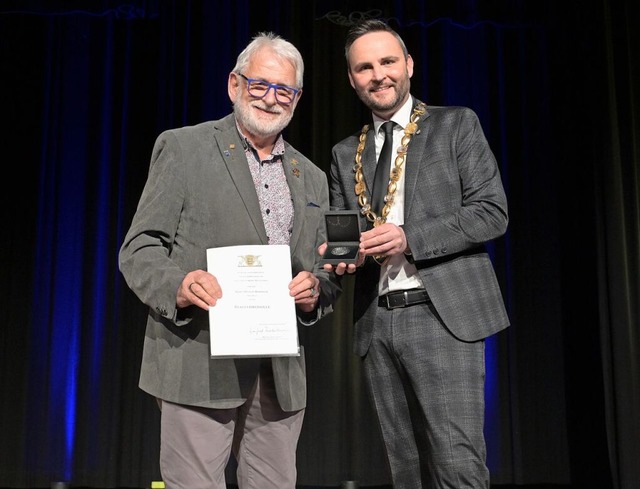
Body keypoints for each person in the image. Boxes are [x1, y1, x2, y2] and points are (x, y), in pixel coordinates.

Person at [119, 32, 340, 489]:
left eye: (285, 90)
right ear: (234, 85)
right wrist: (178, 286)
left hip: (278, 370)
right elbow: (140, 248)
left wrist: (315, 289)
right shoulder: (184, 149)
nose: (271, 99)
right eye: (260, 85)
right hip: (198, 359)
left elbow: (323, 269)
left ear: (297, 99)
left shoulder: (312, 176)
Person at [322, 19, 510, 488]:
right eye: (364, 67)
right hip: (378, 320)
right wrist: (337, 259)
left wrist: (409, 237)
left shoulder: (455, 124)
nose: (377, 74)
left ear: (408, 64)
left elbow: (491, 213)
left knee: (456, 466)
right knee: (404, 470)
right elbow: (345, 236)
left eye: (387, 61)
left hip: (442, 314)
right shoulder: (346, 153)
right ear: (351, 78)